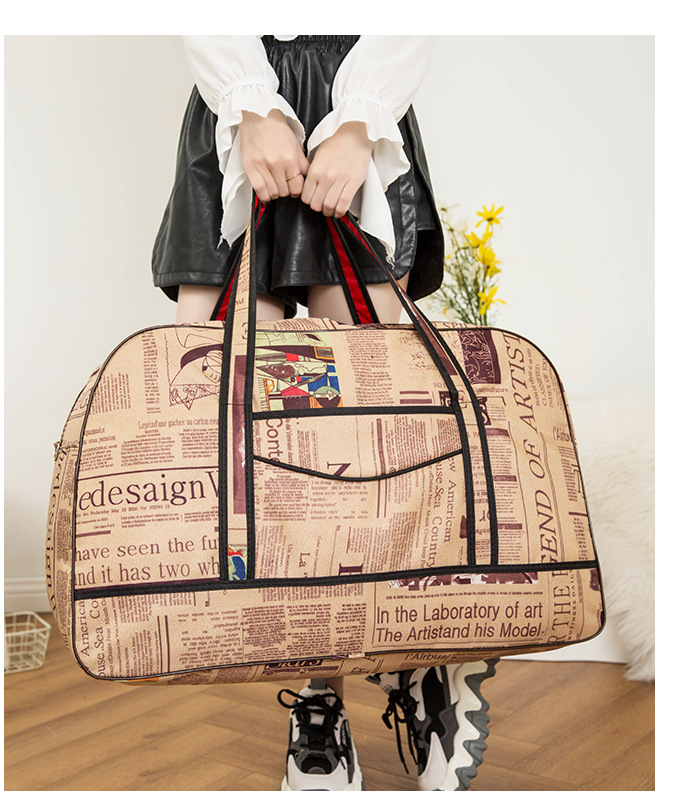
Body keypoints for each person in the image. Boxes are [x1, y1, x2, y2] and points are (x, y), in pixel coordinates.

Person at [152, 35, 497, 792]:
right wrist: (249, 104)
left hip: (358, 89)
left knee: (365, 429)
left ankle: (417, 649)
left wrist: (359, 120)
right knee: (224, 423)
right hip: (236, 99)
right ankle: (322, 692)